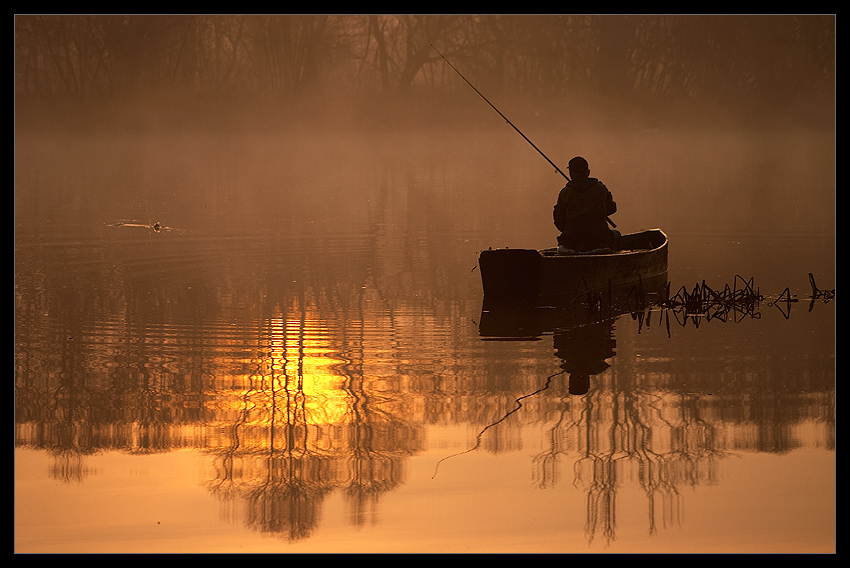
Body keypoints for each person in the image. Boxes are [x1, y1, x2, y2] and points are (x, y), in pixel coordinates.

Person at [553, 156, 619, 253]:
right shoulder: (600, 188)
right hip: (599, 239)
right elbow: (612, 208)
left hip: (572, 240)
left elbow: (559, 221)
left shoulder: (565, 193)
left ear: (571, 174)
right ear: (588, 172)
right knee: (617, 235)